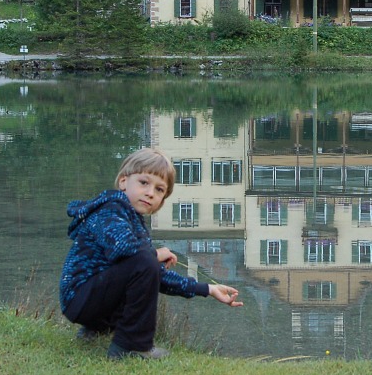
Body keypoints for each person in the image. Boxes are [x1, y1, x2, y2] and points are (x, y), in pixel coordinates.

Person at [59, 147, 242, 360]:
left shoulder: (134, 220)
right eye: (144, 183)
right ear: (123, 182)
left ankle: (96, 330)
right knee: (145, 260)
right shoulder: (111, 209)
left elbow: (154, 275)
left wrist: (207, 289)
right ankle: (131, 346)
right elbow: (125, 250)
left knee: (146, 264)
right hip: (78, 299)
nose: (150, 193)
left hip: (91, 301)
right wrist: (155, 254)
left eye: (159, 190)